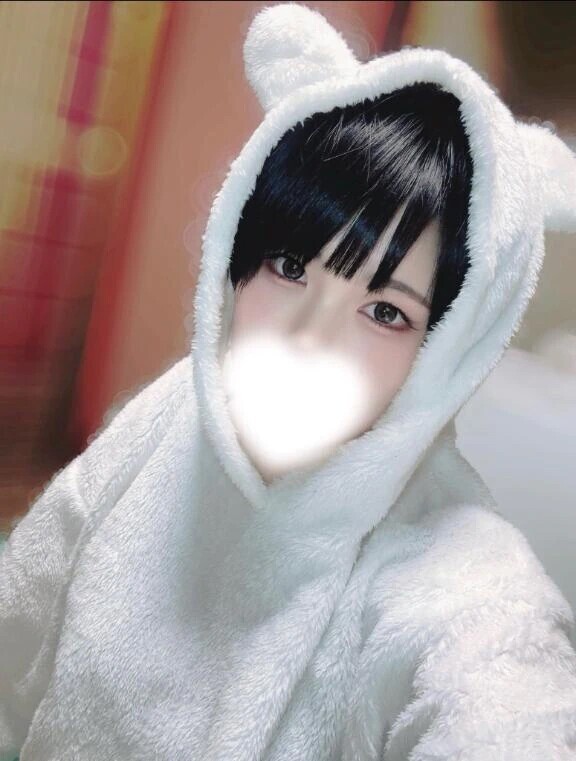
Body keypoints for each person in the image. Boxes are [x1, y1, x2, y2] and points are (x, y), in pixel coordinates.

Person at [1, 4, 576, 759]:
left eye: (385, 311)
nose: (309, 336)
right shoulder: (164, 421)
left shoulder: (463, 585)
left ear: (447, 352)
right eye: (291, 266)